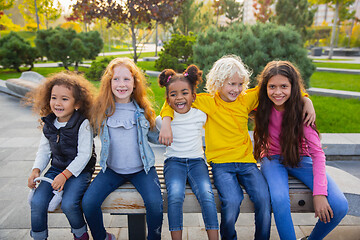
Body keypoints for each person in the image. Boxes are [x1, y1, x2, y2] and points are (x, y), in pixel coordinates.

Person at [159, 55, 316, 240]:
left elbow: (280, 86)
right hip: (221, 164)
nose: (236, 89)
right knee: (232, 201)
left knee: (264, 198)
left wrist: (306, 100)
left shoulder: (246, 99)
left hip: (247, 163)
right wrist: (167, 122)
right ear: (218, 83)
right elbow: (173, 99)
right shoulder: (207, 102)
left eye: (240, 84)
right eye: (231, 84)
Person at [253, 60, 348, 240]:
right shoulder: (261, 106)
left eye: (284, 86)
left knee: (340, 205)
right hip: (272, 160)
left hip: (301, 159)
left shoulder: (301, 112)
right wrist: (306, 97)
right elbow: (236, 97)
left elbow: (318, 154)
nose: (278, 92)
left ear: (293, 87)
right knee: (280, 200)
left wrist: (319, 194)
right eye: (272, 86)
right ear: (265, 87)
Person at [82, 57, 163, 240]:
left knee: (155, 203)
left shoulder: (142, 111)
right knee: (88, 203)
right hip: (112, 170)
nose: (121, 84)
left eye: (127, 79)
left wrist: (167, 130)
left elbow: (154, 137)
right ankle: (102, 236)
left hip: (142, 169)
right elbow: (86, 134)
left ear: (135, 83)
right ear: (109, 83)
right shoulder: (102, 111)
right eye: (116, 79)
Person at [27, 71, 97, 240]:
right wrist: (36, 170)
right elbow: (44, 151)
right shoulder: (49, 123)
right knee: (36, 202)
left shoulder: (83, 124)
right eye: (54, 97)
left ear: (77, 104)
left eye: (64, 99)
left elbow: (84, 155)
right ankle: (39, 236)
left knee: (69, 204)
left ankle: (81, 235)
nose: (57, 103)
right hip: (57, 168)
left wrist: (65, 175)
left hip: (79, 171)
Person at [156, 65, 219, 240]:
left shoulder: (201, 115)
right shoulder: (162, 120)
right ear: (167, 99)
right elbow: (153, 133)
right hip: (174, 162)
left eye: (184, 92)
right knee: (175, 195)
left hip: (197, 162)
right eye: (173, 94)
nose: (179, 98)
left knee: (207, 195)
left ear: (193, 96)